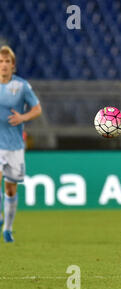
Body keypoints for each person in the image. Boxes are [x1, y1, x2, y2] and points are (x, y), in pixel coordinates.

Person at [0, 45, 42, 242]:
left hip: (15, 145)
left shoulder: (21, 86)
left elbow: (37, 109)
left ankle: (7, 228)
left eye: (7, 61)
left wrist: (22, 117)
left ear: (13, 65)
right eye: (0, 61)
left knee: (10, 189)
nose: (4, 65)